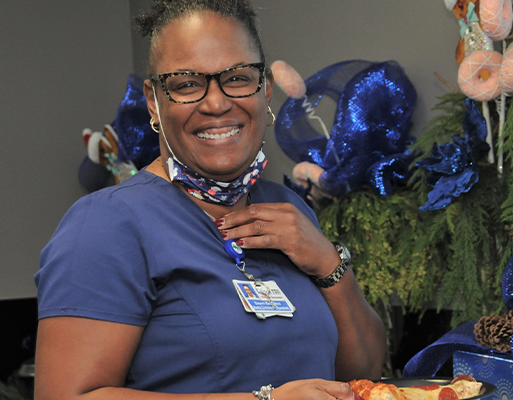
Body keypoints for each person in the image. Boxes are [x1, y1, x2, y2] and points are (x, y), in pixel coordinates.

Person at [33, 1, 386, 399]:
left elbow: (364, 373)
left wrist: (329, 262)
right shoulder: (106, 224)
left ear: (265, 90)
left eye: (237, 78)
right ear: (154, 101)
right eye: (186, 84)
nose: (216, 103)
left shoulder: (288, 206)